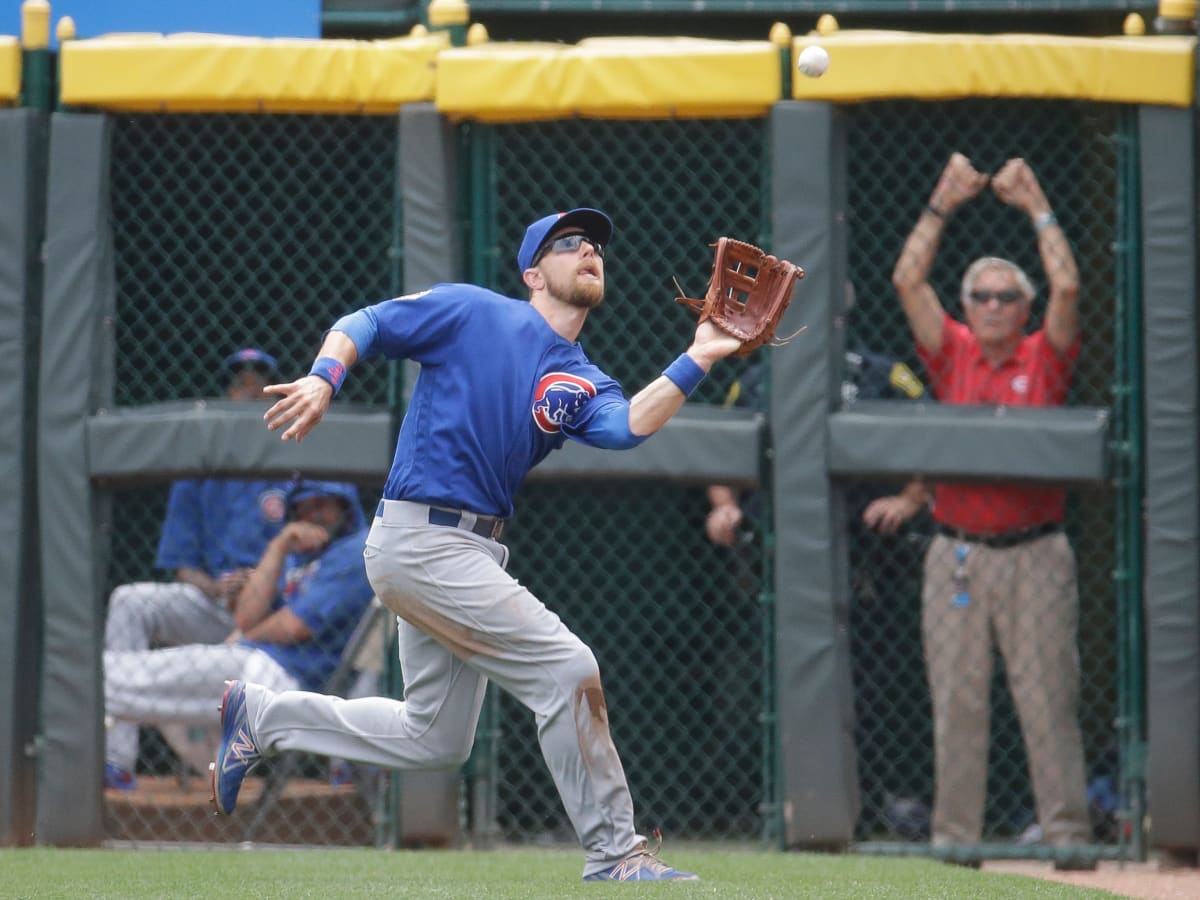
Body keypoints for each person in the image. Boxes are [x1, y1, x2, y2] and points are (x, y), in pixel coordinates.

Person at [211, 207, 748, 882]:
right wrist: (325, 375)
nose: (589, 252)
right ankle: (616, 853)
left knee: (432, 737)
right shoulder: (473, 312)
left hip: (468, 551)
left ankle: (264, 717)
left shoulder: (581, 376)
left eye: (597, 246)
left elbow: (628, 426)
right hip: (420, 540)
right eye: (569, 243)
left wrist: (699, 355)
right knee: (567, 668)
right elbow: (366, 323)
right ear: (533, 272)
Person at [890, 152, 1092, 867]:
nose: (996, 306)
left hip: (1036, 549)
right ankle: (956, 844)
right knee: (959, 707)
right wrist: (942, 204)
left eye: (1009, 297)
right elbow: (907, 279)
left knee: (1047, 705)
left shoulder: (1046, 352)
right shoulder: (955, 352)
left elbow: (1068, 282)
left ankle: (1068, 841)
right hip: (958, 551)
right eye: (983, 296)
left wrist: (1036, 203)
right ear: (968, 305)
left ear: (1025, 308)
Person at [103, 348, 291, 790]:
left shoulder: (294, 462)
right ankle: (118, 759)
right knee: (129, 602)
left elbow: (317, 555)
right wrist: (215, 586)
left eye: (258, 382)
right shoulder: (199, 469)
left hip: (275, 611)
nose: (247, 390)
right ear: (225, 393)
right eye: (238, 381)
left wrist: (264, 582)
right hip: (213, 606)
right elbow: (182, 567)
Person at [104, 480, 373, 787]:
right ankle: (99, 707)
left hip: (282, 678)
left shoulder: (353, 551)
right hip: (255, 666)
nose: (313, 515)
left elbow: (293, 626)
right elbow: (246, 617)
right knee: (142, 689)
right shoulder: (300, 555)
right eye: (305, 508)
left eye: (323, 505)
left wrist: (246, 638)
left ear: (344, 507)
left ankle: (85, 688)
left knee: (125, 682)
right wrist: (280, 544)